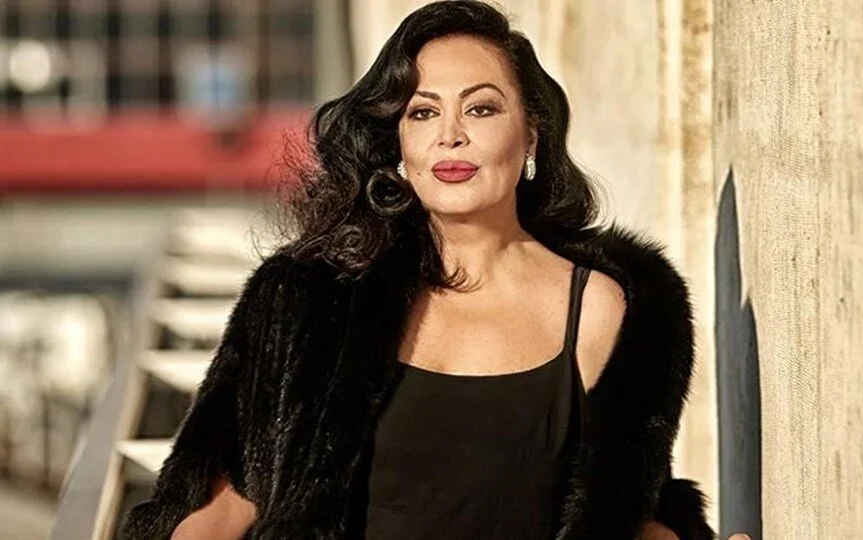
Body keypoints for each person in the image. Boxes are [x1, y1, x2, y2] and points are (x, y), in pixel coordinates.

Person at [121, 1, 722, 538]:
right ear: (398, 147)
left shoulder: (602, 310)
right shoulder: (310, 295)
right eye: (422, 113)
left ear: (531, 136)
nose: (449, 137)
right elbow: (229, 503)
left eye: (481, 109)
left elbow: (624, 512)